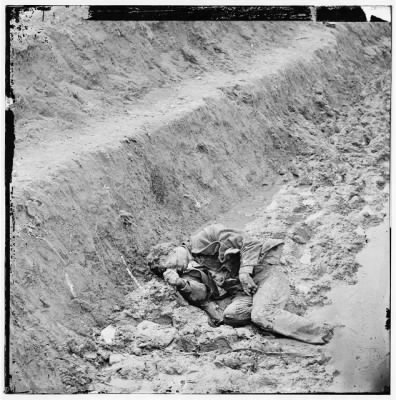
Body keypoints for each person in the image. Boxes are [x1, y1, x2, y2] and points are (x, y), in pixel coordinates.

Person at [149, 224, 332, 345]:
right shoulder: (189, 271)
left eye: (171, 263)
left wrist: (245, 271)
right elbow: (201, 295)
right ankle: (265, 308)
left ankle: (325, 335)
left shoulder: (205, 237)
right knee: (231, 316)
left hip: (264, 273)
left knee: (261, 314)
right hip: (243, 293)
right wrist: (180, 283)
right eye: (170, 269)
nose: (176, 268)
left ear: (172, 250)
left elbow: (250, 243)